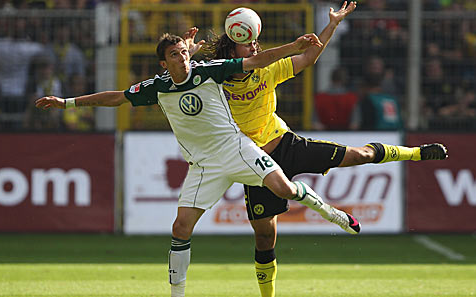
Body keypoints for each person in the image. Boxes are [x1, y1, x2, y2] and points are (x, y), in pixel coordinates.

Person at [35, 31, 361, 297]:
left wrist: (293, 46)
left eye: (185, 52)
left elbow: (256, 60)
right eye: (176, 55)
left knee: (285, 189)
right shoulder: (157, 88)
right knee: (180, 228)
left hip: (238, 149)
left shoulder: (210, 70)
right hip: (204, 166)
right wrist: (66, 102)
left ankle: (331, 213)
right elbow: (116, 97)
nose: (184, 58)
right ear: (164, 63)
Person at [192, 2, 448, 297]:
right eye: (246, 44)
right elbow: (183, 78)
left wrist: (333, 24)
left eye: (255, 43)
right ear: (231, 49)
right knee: (265, 237)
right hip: (255, 162)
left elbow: (309, 56)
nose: (253, 48)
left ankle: (416, 152)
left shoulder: (268, 71)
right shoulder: (214, 81)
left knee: (359, 155)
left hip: (286, 144)